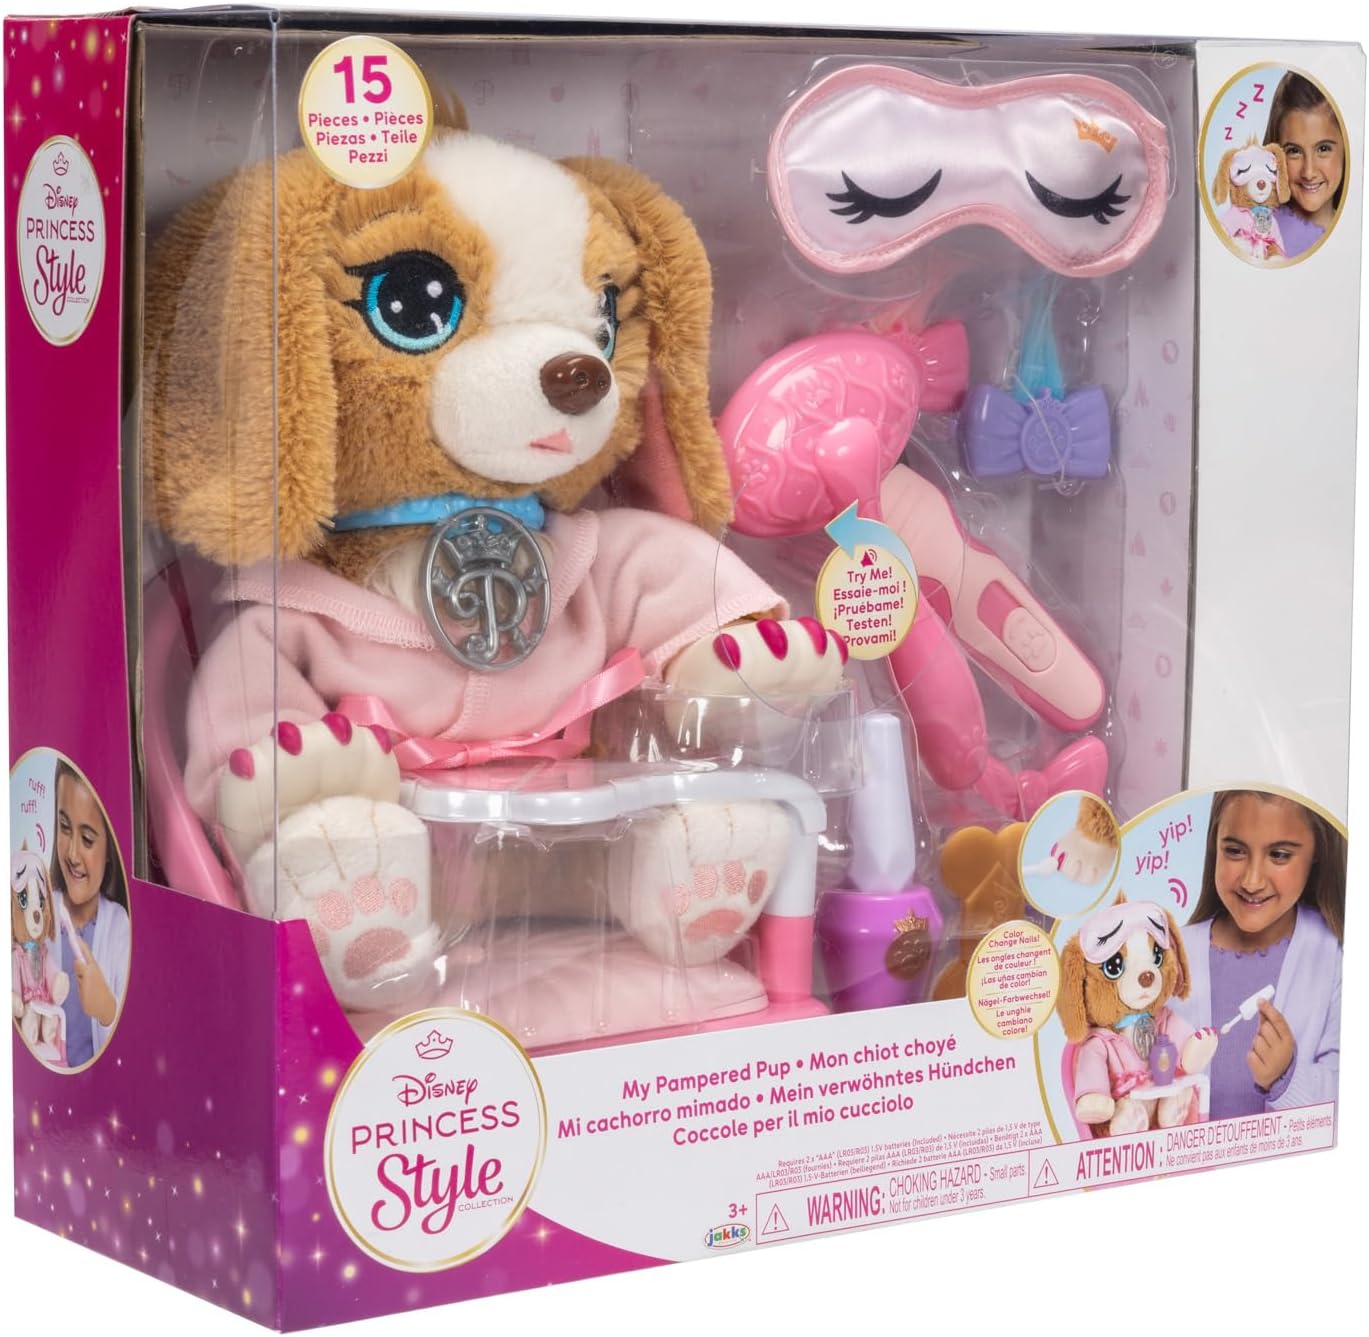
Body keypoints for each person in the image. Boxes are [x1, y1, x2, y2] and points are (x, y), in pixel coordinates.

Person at [1175, 789, 1343, 1119]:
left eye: (1279, 855)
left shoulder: (1332, 956)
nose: (1252, 881)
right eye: (1235, 851)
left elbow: (1348, 1100)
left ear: (1317, 852)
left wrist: (1286, 1077)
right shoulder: (1172, 956)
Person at [49, 759, 130, 1065]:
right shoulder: (43, 913)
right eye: (64, 827)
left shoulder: (119, 927)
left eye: (87, 839)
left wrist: (106, 1008)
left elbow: (134, 1042)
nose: (72, 854)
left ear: (110, 849)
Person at [1263, 72, 1346, 259]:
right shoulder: (1261, 233)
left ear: (1345, 149)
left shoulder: (1355, 234)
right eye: (1294, 151)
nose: (1308, 172)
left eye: (1323, 149)